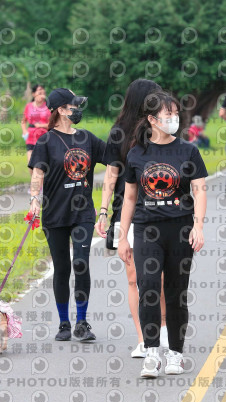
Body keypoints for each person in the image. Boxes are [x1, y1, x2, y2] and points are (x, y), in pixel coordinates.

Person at [118, 91, 207, 378]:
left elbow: (199, 191)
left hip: (180, 229)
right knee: (148, 289)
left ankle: (176, 355)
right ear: (152, 119)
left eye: (175, 114)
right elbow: (129, 198)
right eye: (168, 115)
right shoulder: (137, 153)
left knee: (176, 292)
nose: (174, 119)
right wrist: (122, 236)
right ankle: (152, 353)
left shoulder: (188, 151)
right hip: (147, 229)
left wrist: (198, 226)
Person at [95, 79, 170, 359]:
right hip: (126, 213)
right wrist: (103, 211)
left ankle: (162, 328)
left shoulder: (159, 129)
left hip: (160, 210)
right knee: (134, 278)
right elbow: (110, 175)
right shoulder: (119, 133)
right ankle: (142, 339)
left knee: (159, 277)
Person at [27, 88, 106, 341]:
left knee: (81, 263)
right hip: (55, 214)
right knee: (62, 268)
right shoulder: (46, 141)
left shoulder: (87, 138)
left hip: (83, 213)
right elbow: (37, 173)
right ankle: (64, 323)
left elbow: (115, 157)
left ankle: (81, 322)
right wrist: (34, 199)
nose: (78, 109)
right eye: (74, 105)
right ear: (61, 110)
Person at [21, 84, 50, 175]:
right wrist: (24, 131)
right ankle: (34, 181)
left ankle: (43, 182)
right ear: (34, 94)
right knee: (30, 163)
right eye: (39, 90)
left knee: (43, 163)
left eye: (43, 90)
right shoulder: (29, 106)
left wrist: (41, 125)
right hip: (31, 137)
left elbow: (53, 124)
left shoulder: (48, 106)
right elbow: (23, 121)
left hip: (44, 137)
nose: (41, 92)